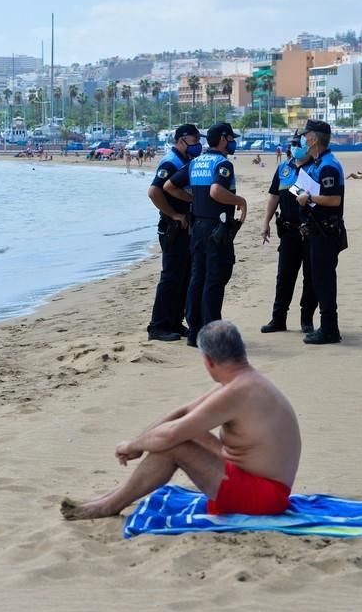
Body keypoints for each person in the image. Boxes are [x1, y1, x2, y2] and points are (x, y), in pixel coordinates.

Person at [61, 321, 301, 520]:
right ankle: (108, 498)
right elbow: (183, 413)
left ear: (208, 360)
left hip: (264, 497)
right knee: (181, 433)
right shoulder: (242, 381)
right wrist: (138, 443)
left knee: (174, 444)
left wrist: (131, 447)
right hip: (254, 480)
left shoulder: (239, 391)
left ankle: (108, 506)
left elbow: (170, 435)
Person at [165, 123, 247, 347]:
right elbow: (216, 191)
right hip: (216, 230)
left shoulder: (195, 162)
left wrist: (194, 201)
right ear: (222, 138)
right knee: (214, 279)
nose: (233, 142)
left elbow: (170, 186)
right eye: (231, 138)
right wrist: (240, 201)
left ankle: (194, 333)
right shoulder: (223, 163)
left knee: (197, 279)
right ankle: (211, 332)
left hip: (197, 228)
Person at [147, 124, 204, 342]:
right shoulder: (171, 162)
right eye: (194, 140)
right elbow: (154, 192)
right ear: (181, 140)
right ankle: (158, 326)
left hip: (185, 228)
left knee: (184, 276)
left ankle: (174, 322)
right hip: (173, 228)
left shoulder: (185, 161)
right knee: (171, 277)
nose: (197, 144)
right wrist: (173, 214)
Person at [260, 131, 317, 334]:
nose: (295, 148)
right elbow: (274, 196)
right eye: (292, 144)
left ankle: (306, 320)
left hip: (311, 232)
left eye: (298, 144)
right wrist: (265, 222)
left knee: (311, 278)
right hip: (288, 231)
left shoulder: (316, 168)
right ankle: (278, 319)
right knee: (284, 276)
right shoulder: (284, 168)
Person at [296, 120, 347, 345]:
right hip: (318, 230)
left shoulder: (328, 165)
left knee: (324, 281)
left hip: (326, 232)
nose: (304, 140)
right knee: (319, 279)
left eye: (306, 136)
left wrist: (309, 198)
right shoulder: (318, 163)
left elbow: (334, 199)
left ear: (314, 138)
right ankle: (326, 326)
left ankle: (329, 329)